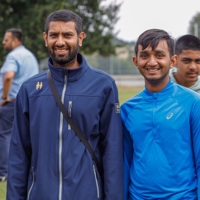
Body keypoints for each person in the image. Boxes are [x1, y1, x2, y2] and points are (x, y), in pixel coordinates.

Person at [6, 10, 123, 200]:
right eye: (54, 35)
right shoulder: (29, 90)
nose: (60, 42)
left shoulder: (103, 85)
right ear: (46, 38)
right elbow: (19, 155)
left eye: (67, 35)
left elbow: (113, 152)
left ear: (80, 38)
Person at [121, 29, 200, 199]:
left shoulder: (193, 103)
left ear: (172, 61)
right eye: (145, 55)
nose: (152, 62)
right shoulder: (127, 109)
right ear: (136, 61)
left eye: (159, 55)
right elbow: (125, 163)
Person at [0, 28, 39, 182]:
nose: (3, 42)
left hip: (12, 102)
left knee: (4, 135)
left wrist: (4, 97)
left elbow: (9, 76)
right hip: (31, 102)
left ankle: (4, 172)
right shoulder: (30, 56)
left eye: (6, 39)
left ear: (15, 40)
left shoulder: (13, 56)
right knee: (25, 136)